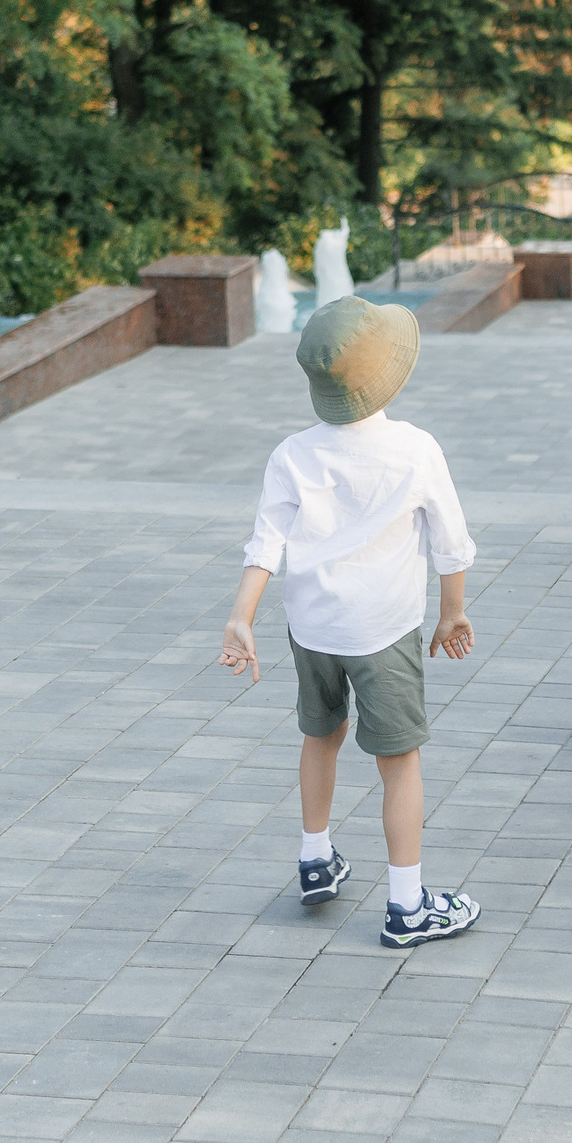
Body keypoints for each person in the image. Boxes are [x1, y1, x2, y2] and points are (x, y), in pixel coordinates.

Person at [218, 296, 483, 948]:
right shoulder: (415, 449)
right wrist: (452, 613)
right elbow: (452, 544)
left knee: (320, 734)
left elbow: (266, 543)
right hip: (382, 633)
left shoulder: (292, 454)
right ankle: (408, 907)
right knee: (400, 764)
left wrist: (240, 616)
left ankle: (315, 857)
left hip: (312, 629)